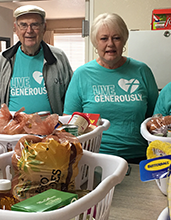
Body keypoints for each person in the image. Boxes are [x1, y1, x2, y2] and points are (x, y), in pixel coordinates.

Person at [63, 13, 159, 165]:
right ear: (95, 42)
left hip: (138, 157)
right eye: (104, 38)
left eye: (116, 38)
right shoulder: (82, 75)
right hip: (93, 158)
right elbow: (70, 122)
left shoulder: (142, 71)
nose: (110, 44)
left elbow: (155, 116)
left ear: (124, 40)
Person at [0, 5, 73, 115]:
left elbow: (72, 99)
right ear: (16, 28)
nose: (29, 31)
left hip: (50, 130)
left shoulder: (58, 58)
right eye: (23, 25)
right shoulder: (3, 60)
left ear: (44, 27)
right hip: (12, 130)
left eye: (35, 25)